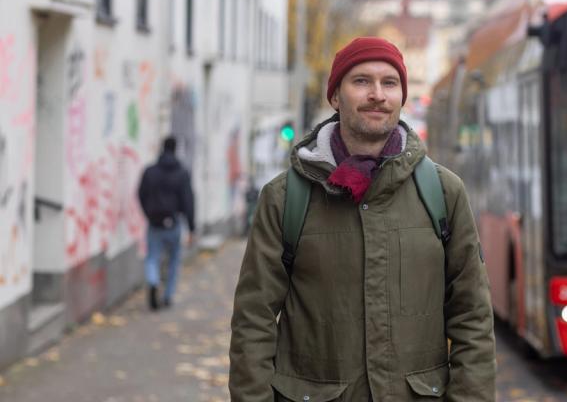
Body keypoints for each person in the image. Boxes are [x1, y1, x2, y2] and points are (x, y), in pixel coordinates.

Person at [229, 37, 496, 401]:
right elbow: (253, 322)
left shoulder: (444, 193)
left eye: (390, 83)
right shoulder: (286, 198)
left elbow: (473, 318)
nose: (377, 94)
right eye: (361, 81)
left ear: (402, 96)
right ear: (335, 97)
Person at [138, 136, 195, 310]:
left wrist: (148, 214)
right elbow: (188, 201)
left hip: (154, 223)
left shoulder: (149, 171)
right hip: (174, 223)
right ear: (175, 149)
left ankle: (153, 281)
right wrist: (191, 227)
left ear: (162, 148)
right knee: (174, 260)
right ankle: (168, 295)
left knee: (152, 257)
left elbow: (140, 194)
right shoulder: (182, 173)